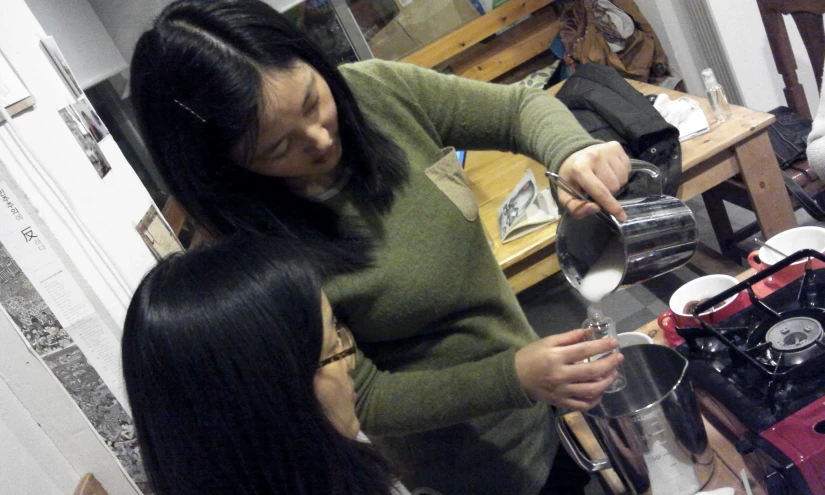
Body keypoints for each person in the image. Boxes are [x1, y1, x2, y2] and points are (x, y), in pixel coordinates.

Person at [129, 1, 629, 493]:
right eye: (279, 147)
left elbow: (518, 110)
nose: (320, 138)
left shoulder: (375, 93)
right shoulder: (256, 256)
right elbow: (359, 396)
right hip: (466, 461)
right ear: (226, 165)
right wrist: (509, 379)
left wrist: (572, 150)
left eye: (311, 102)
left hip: (540, 396)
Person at [122, 236, 416, 495]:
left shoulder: (326, 470)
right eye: (330, 350)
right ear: (265, 402)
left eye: (338, 334)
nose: (348, 364)